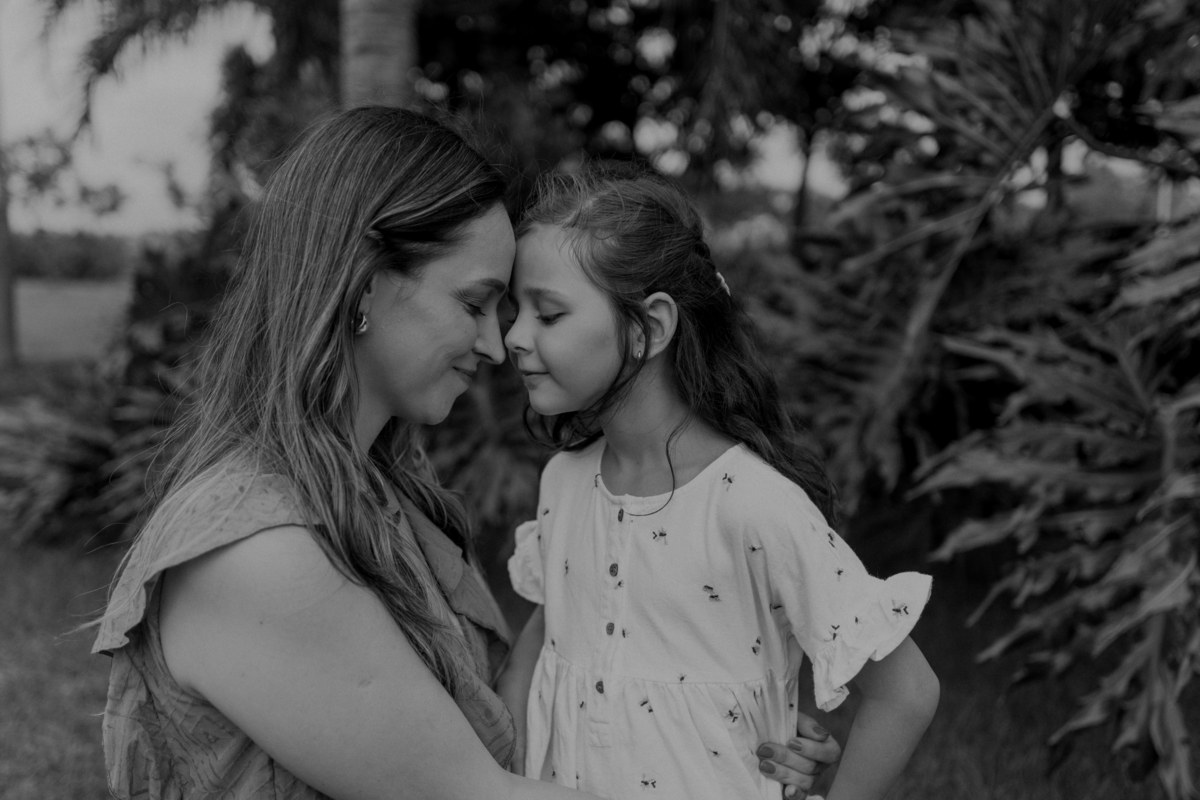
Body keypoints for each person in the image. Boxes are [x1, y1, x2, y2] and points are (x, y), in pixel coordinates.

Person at [90, 106, 839, 800]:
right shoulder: (260, 556)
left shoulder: (380, 487)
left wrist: (730, 735)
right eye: (475, 304)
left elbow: (515, 717)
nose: (495, 344)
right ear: (363, 290)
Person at [501, 164, 940, 800]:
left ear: (649, 327)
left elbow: (907, 691)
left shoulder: (752, 505)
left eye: (549, 313)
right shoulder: (564, 483)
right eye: (518, 312)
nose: (514, 337)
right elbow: (534, 656)